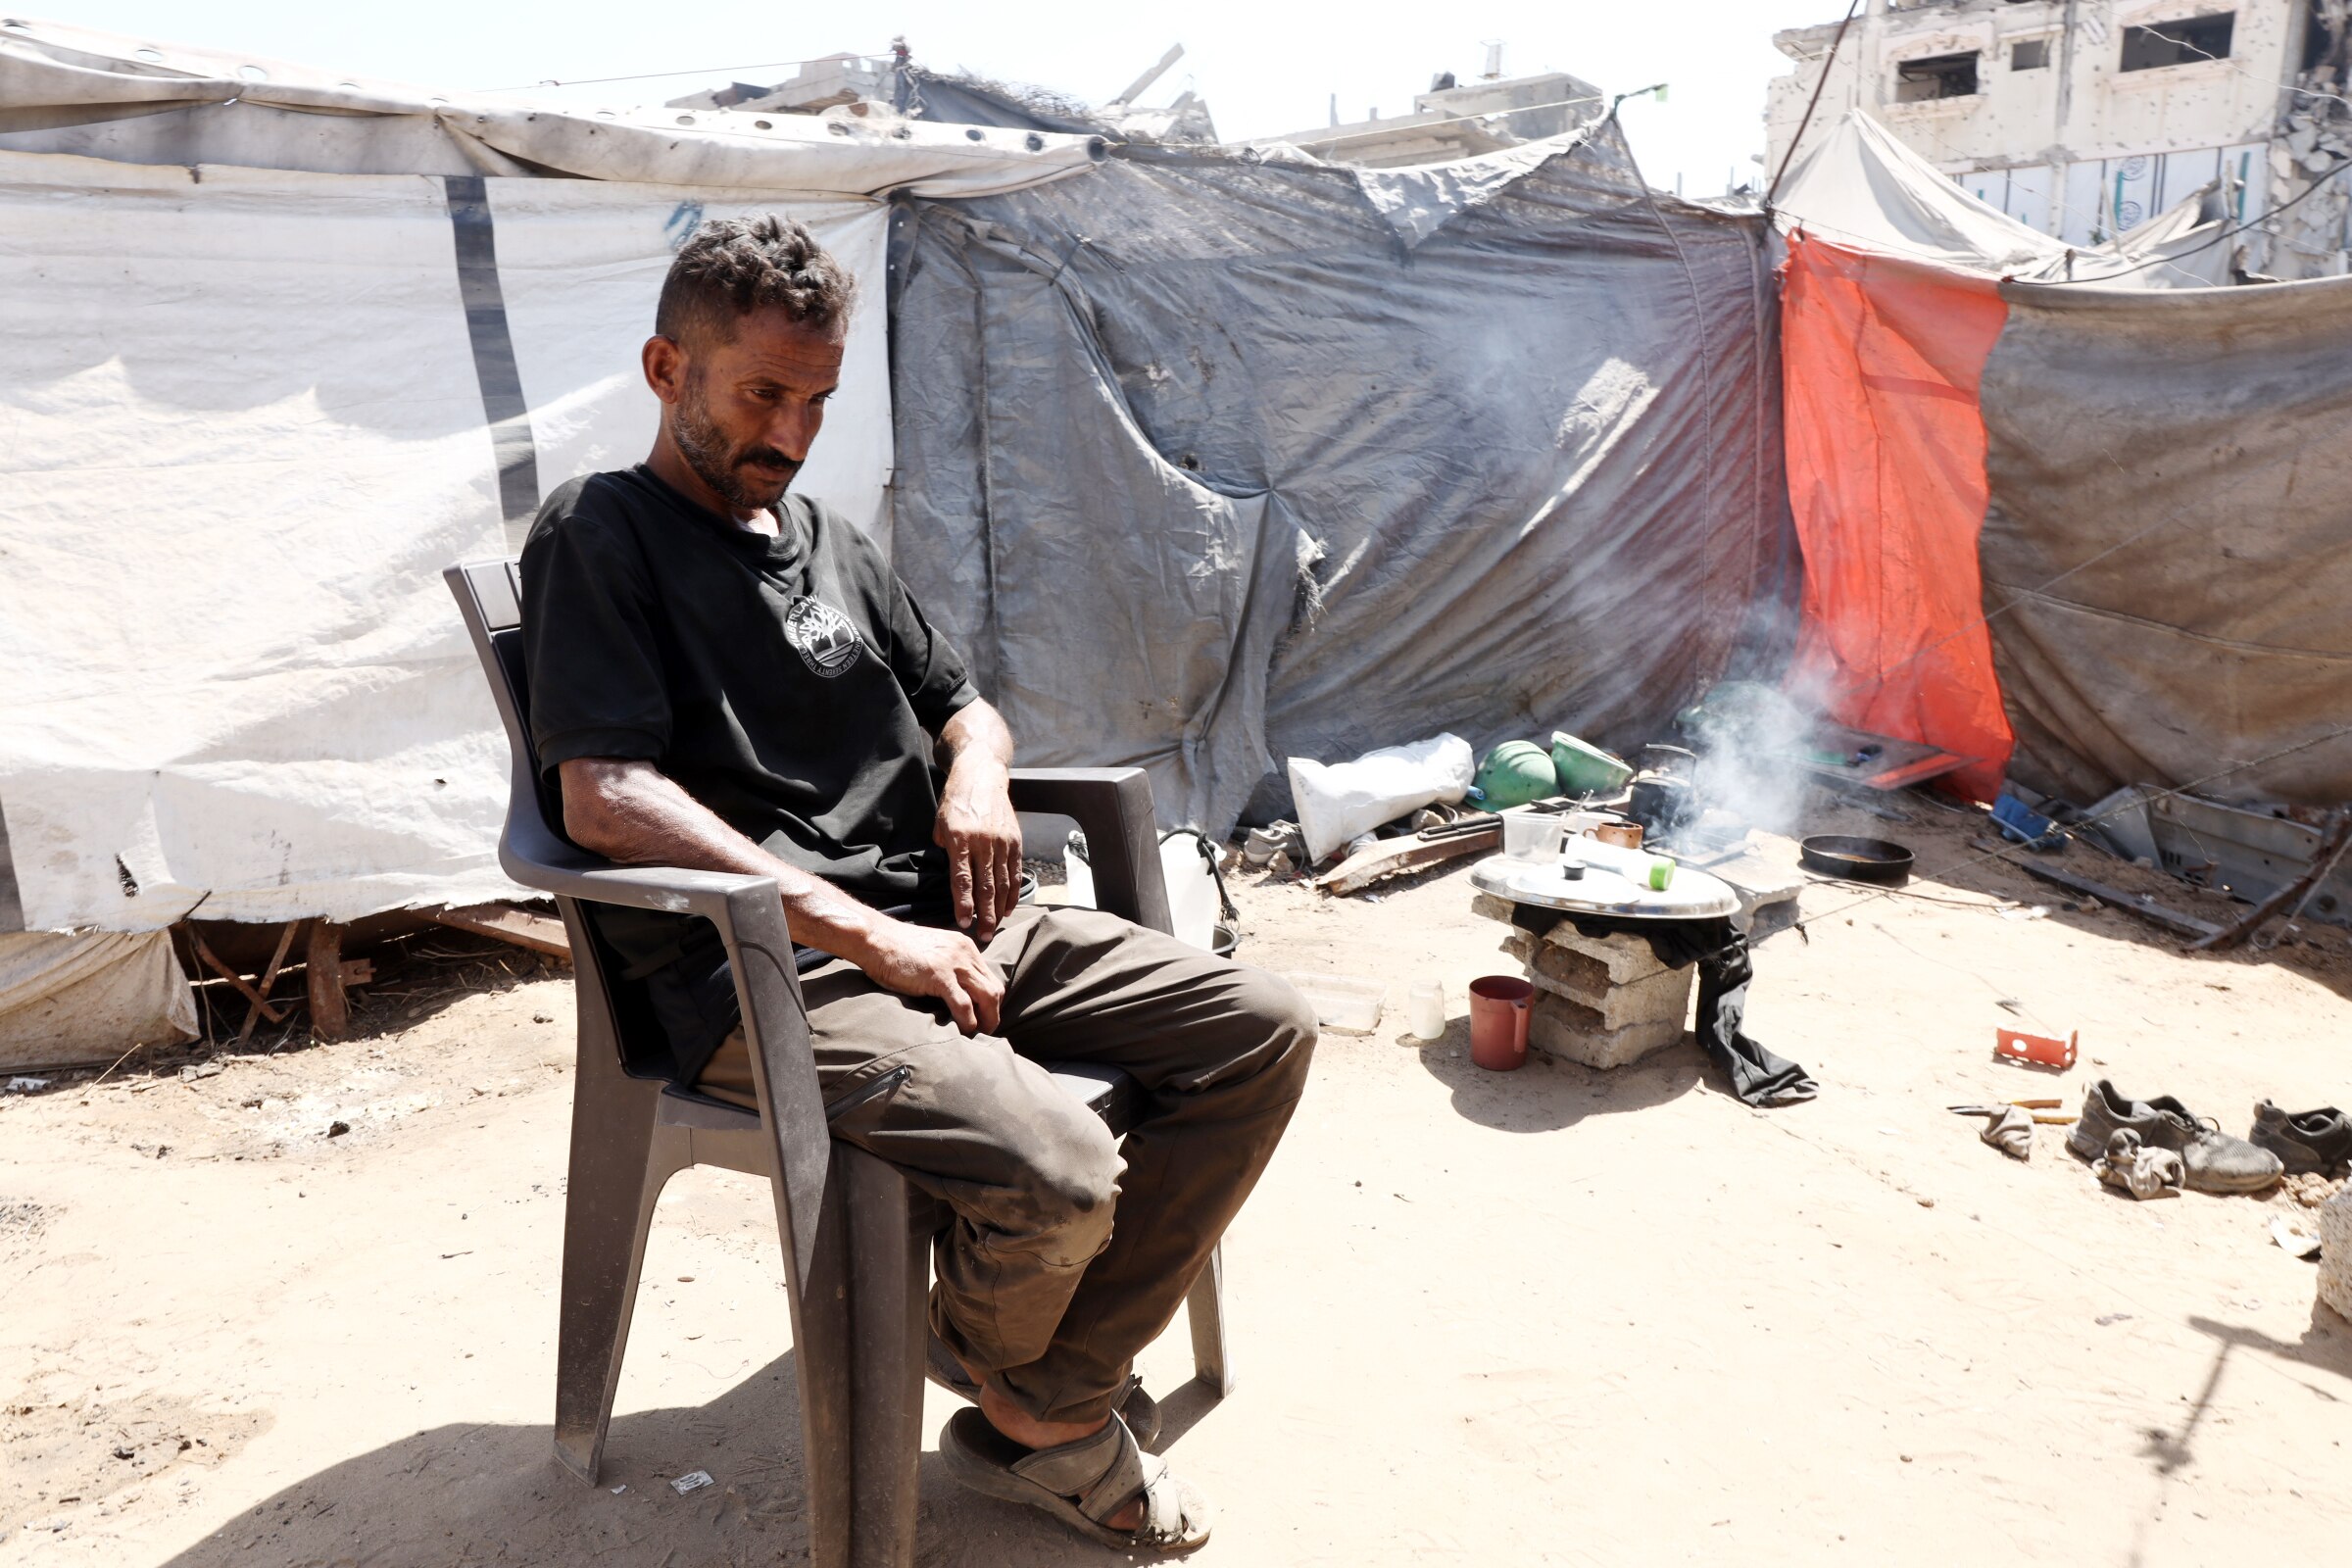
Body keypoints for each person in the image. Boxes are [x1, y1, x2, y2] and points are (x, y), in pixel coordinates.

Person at [517, 214, 1314, 1555]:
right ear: (666, 368)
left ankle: (1035, 1393)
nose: (793, 429)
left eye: (817, 399)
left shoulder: (829, 538)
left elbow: (965, 702)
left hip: (948, 916)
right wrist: (863, 934)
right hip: (764, 968)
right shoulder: (602, 533)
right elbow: (600, 794)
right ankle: (1023, 1386)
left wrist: (978, 775)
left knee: (1263, 1033)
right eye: (761, 392)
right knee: (1061, 1174)